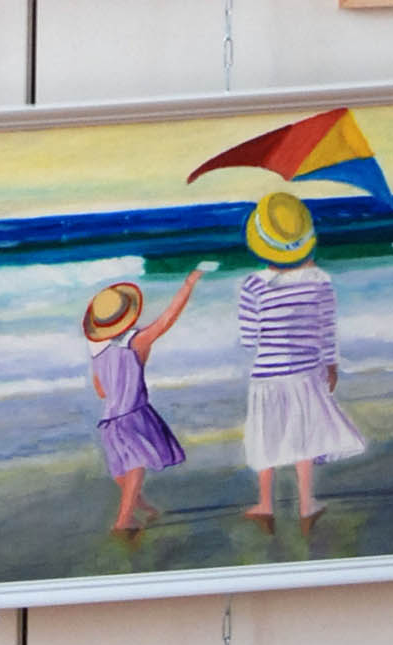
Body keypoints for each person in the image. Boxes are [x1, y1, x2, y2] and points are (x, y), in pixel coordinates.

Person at [236, 191, 366, 531]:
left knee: (267, 437)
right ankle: (307, 505)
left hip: (267, 375)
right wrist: (331, 365)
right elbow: (327, 330)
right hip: (307, 373)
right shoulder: (319, 282)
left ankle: (265, 505)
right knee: (303, 435)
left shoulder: (253, 286)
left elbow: (249, 339)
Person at [83, 269, 204, 534]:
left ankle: (144, 509)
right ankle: (123, 521)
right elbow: (167, 319)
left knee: (121, 471)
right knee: (136, 464)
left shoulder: (97, 349)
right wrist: (188, 285)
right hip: (132, 411)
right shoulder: (136, 340)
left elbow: (100, 389)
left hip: (108, 419)